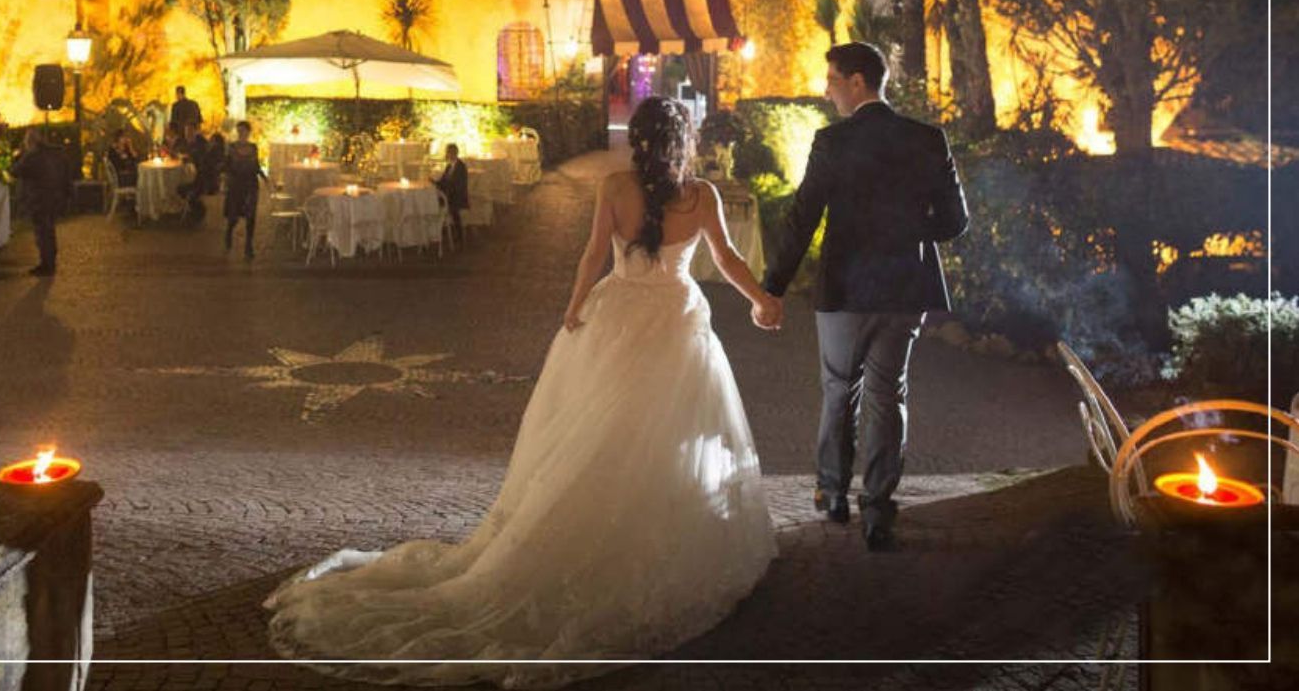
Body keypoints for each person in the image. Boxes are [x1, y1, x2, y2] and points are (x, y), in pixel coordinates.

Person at [265, 97, 782, 685]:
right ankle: (655, 529)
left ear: (636, 140)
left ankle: (587, 520)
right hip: (677, 321)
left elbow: (593, 256)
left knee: (600, 427)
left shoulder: (614, 186)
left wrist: (574, 308)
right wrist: (762, 301)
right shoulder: (704, 196)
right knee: (667, 430)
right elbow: (730, 258)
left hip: (619, 317)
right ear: (684, 141)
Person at [762, 42, 970, 552]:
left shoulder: (833, 142)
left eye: (832, 79)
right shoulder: (928, 139)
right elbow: (954, 221)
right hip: (905, 287)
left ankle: (833, 493)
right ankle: (877, 509)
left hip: (848, 287)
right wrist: (904, 228)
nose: (827, 89)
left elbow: (803, 216)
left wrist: (772, 287)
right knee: (887, 393)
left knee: (839, 388)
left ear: (858, 82)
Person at [11, 128, 73, 278]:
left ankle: (46, 264)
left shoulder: (32, 156)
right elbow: (66, 172)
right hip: (54, 197)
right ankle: (50, 261)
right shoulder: (55, 154)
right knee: (49, 230)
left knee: (42, 232)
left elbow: (16, 171)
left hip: (39, 198)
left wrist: (18, 156)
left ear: (30, 142)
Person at [222, 121, 267, 259]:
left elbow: (256, 165)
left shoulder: (253, 147)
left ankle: (249, 245)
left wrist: (264, 177)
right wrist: (225, 179)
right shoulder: (231, 147)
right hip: (236, 184)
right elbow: (227, 165)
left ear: (248, 132)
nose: (241, 133)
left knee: (251, 215)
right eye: (239, 131)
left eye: (244, 131)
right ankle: (229, 232)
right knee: (234, 215)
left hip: (250, 184)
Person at [433, 142, 470, 246]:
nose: (448, 155)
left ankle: (457, 235)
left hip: (457, 196)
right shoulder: (449, 166)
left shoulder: (461, 167)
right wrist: (434, 182)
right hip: (450, 194)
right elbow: (443, 181)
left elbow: (459, 185)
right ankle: (440, 230)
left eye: (450, 153)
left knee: (450, 208)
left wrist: (446, 191)